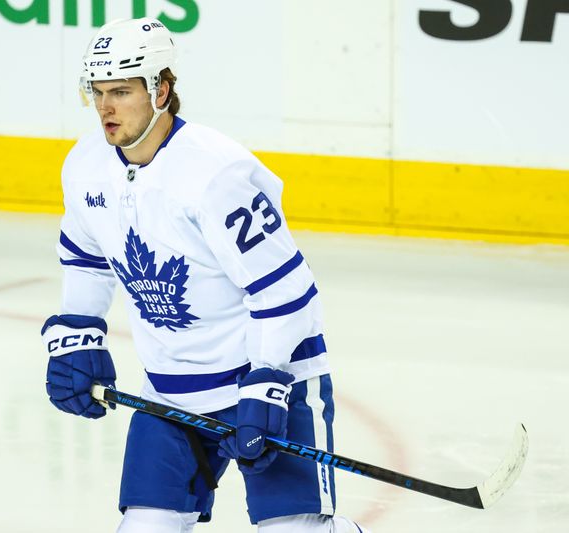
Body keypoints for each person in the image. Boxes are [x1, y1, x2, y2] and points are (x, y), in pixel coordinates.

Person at [41, 17, 371, 533]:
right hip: (169, 394)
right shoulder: (85, 167)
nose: (105, 107)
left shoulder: (216, 174)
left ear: (161, 91)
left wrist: (266, 379)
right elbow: (86, 254)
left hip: (266, 382)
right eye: (98, 92)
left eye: (121, 92)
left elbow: (285, 289)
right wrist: (78, 331)